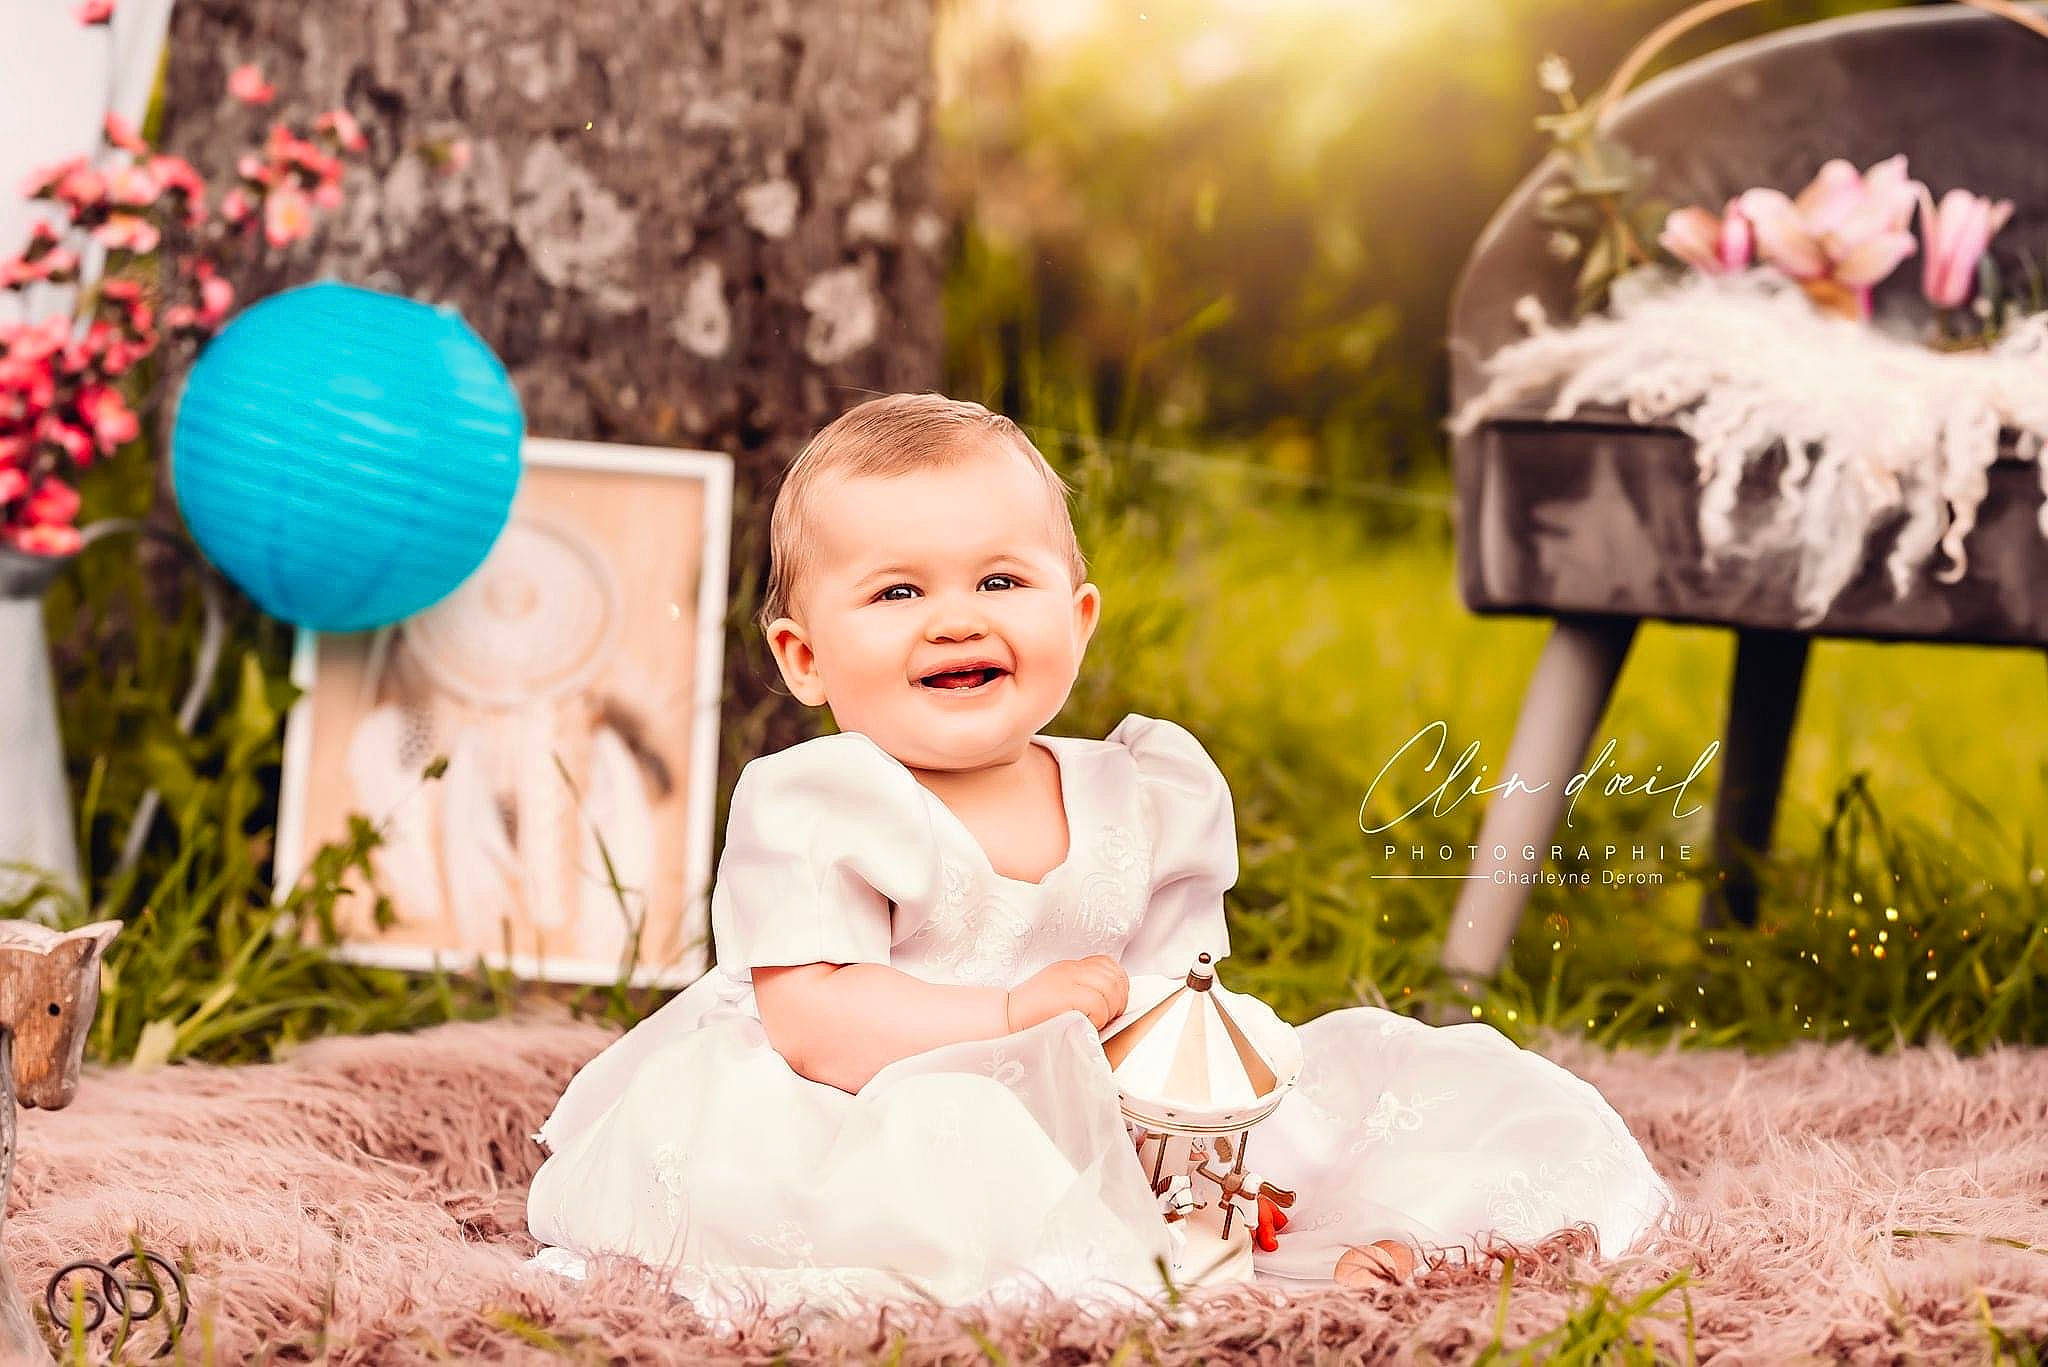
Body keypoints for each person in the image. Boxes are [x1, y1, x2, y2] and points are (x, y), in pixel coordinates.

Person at [524, 393, 1674, 1320]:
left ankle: (1269, 1246)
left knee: (1290, 1110)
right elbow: (813, 1023)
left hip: (1108, 1093)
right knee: (953, 1167)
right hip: (877, 1097)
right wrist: (1011, 1016)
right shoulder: (823, 801)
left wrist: (1167, 1093)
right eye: (896, 590)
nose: (955, 618)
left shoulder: (1144, 790)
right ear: (803, 655)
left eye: (999, 580)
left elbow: (1179, 994)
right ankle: (1185, 1271)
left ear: (1075, 618)